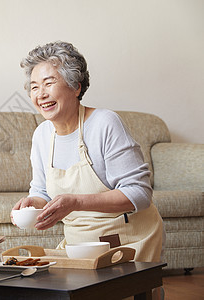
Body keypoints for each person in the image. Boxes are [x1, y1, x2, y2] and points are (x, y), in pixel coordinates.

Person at [12, 41, 164, 263]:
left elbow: (139, 193)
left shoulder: (105, 123)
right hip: (79, 245)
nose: (41, 94)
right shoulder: (41, 135)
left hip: (128, 242)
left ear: (76, 87)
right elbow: (42, 192)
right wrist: (32, 204)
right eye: (34, 87)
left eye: (49, 83)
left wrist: (76, 202)